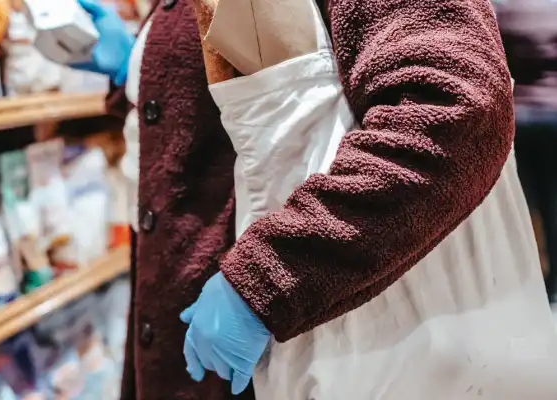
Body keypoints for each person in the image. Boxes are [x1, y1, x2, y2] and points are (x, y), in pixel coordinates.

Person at [72, 0, 557, 399]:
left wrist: (266, 279)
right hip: (214, 350)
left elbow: (453, 107)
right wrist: (128, 71)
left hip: (306, 344)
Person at [496, 0, 557, 306]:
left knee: (525, 203)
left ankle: (532, 277)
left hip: (520, 119)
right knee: (553, 202)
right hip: (554, 118)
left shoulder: (506, 12)